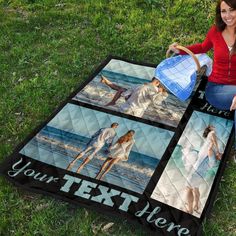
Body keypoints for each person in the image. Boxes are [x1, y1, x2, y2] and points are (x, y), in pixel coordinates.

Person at [168, 0, 236, 162]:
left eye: (232, 10)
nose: (227, 16)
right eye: (223, 11)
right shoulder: (215, 32)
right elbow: (202, 47)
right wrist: (180, 50)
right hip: (216, 89)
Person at [185, 125, 222, 214]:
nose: (214, 128)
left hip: (197, 170)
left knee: (188, 188)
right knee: (196, 188)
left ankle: (190, 210)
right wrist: (216, 150)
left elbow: (212, 142)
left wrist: (216, 150)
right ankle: (196, 206)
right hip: (202, 174)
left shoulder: (211, 136)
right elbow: (211, 145)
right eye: (213, 126)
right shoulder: (213, 162)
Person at [100, 75, 167, 117]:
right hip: (136, 112)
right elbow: (156, 102)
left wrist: (129, 98)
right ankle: (107, 82)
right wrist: (161, 93)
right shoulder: (155, 91)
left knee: (121, 89)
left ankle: (107, 83)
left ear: (152, 79)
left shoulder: (138, 85)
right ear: (158, 83)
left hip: (125, 108)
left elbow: (124, 94)